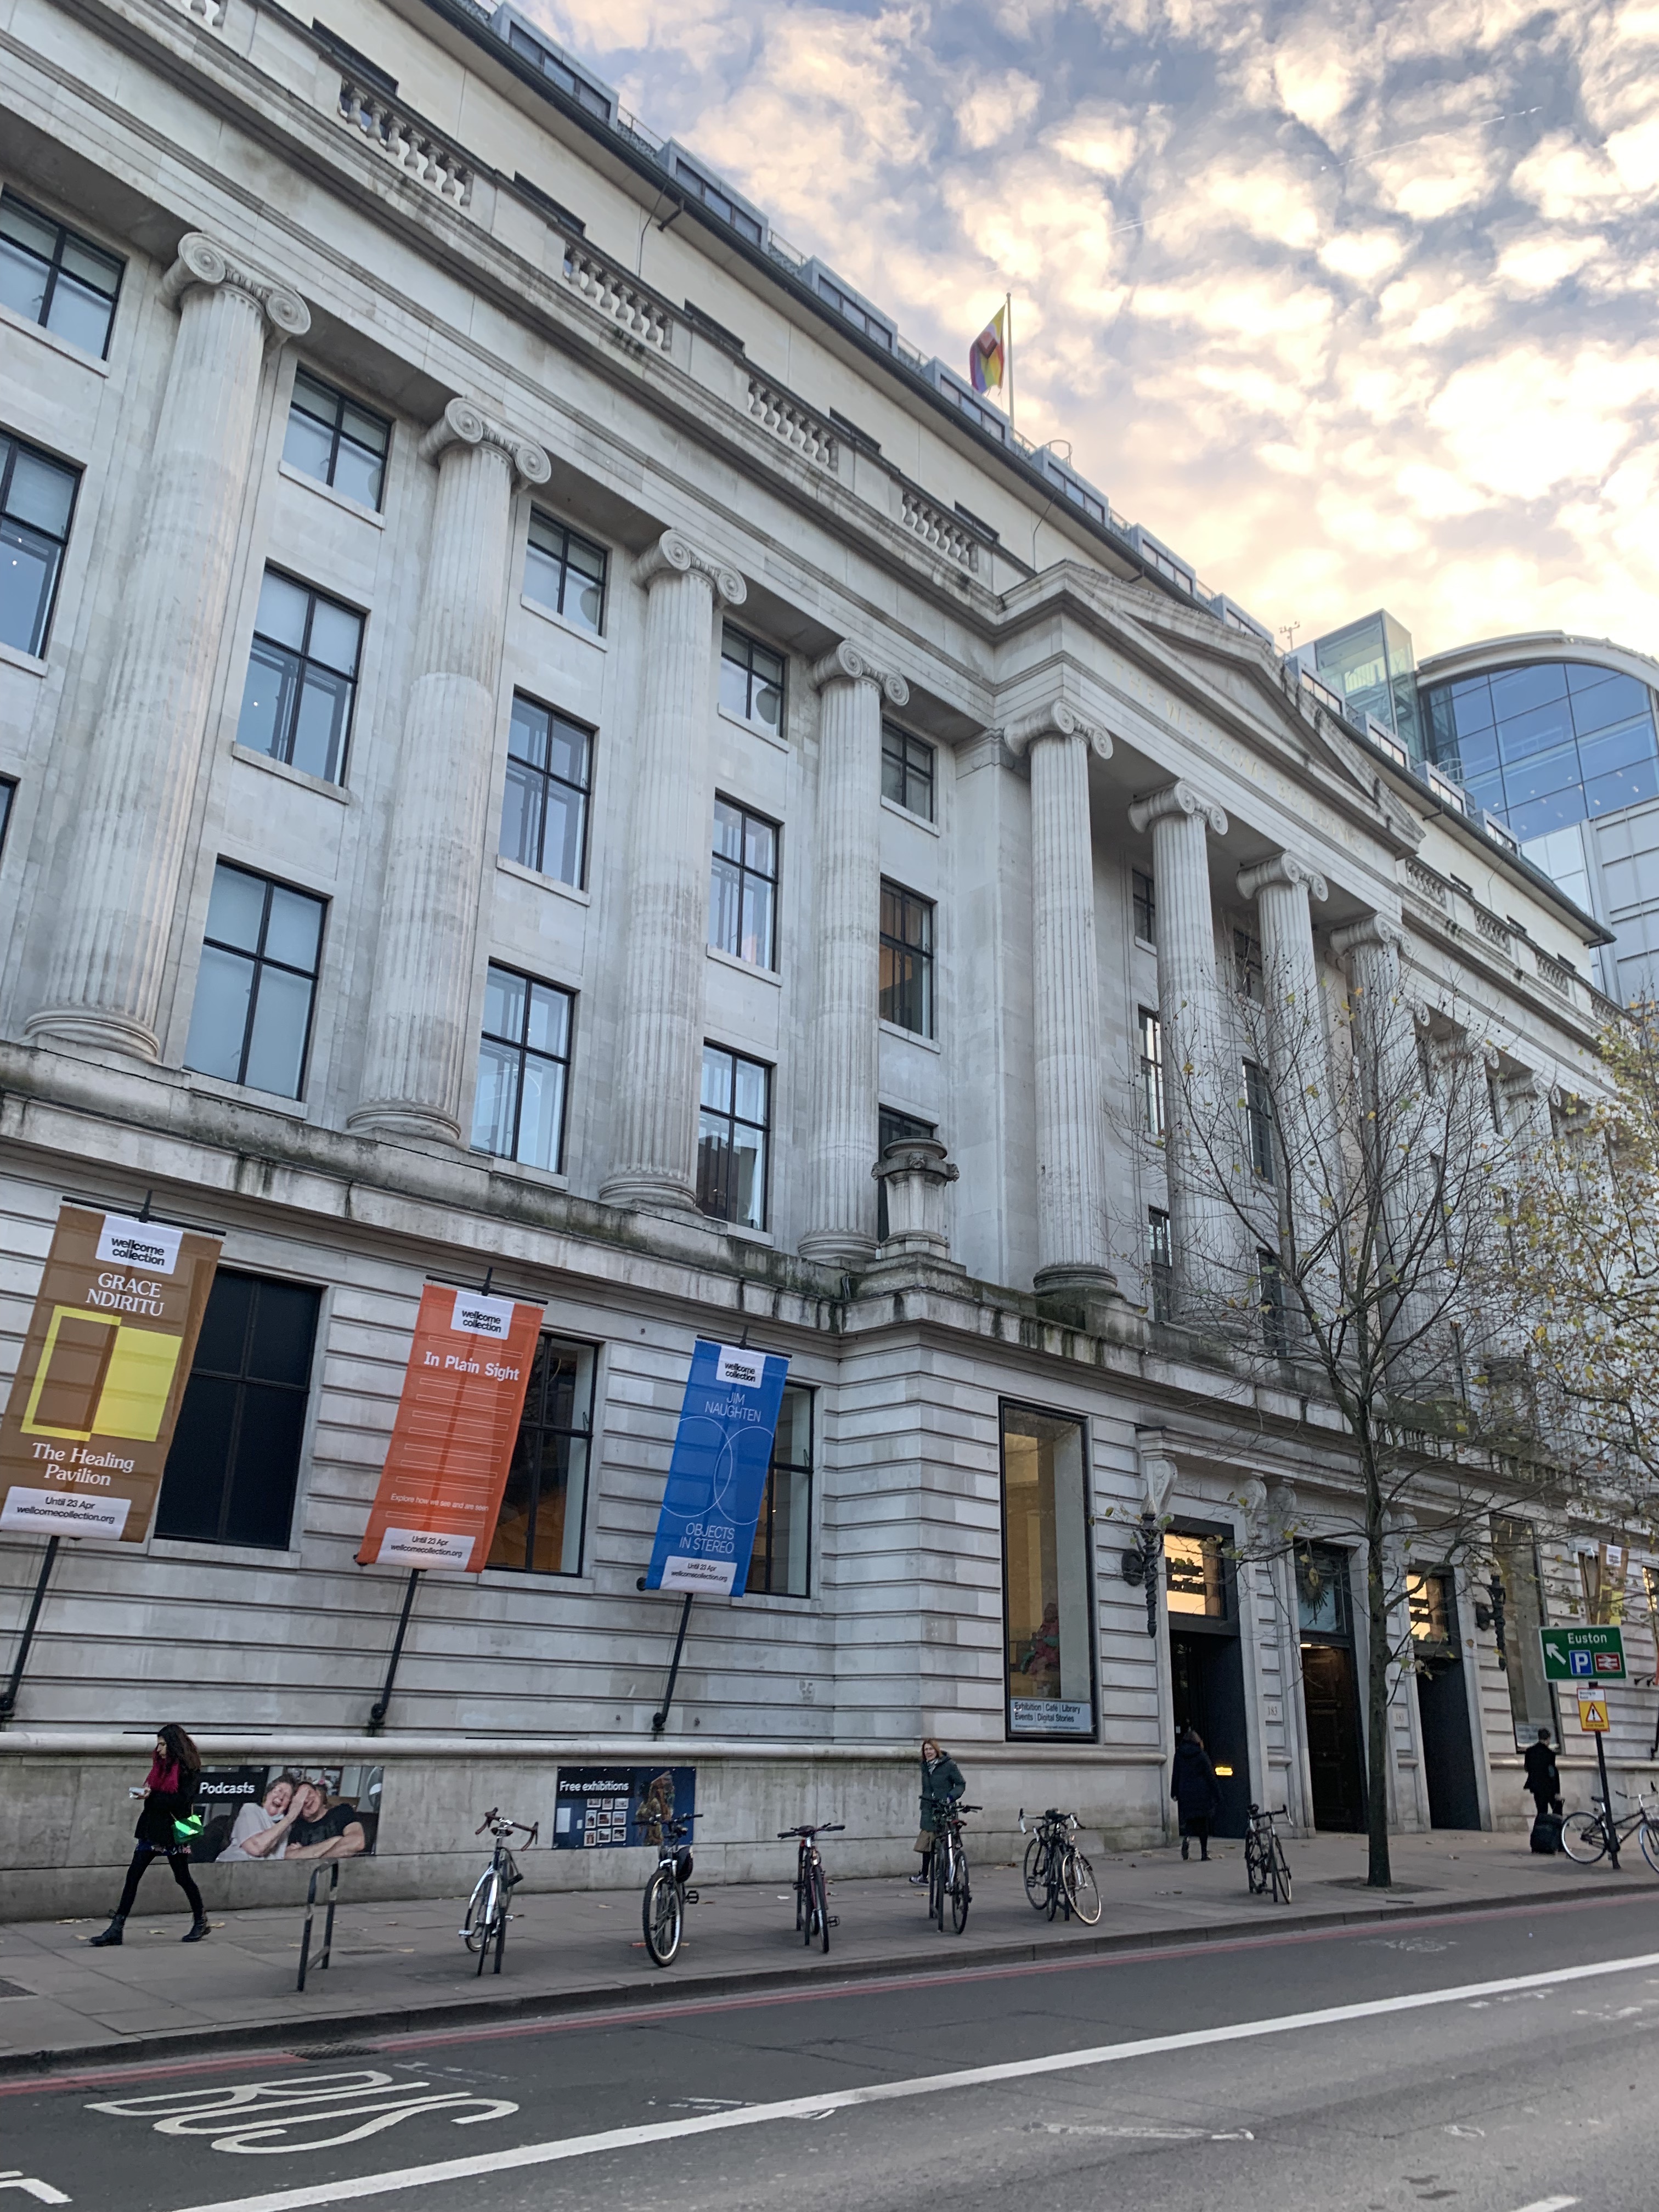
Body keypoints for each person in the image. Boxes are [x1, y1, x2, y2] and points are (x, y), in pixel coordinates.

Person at [89, 1724, 210, 1945]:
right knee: (133, 1876)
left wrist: (151, 1797)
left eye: (163, 1745)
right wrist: (149, 1795)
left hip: (175, 1832)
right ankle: (117, 1927)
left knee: (182, 1877)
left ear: (174, 1745)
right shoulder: (161, 1766)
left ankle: (201, 1920)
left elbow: (181, 1801)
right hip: (152, 1831)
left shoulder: (189, 1770)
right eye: (158, 1745)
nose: (159, 1750)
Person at [910, 1737, 965, 1888]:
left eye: (931, 1749)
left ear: (937, 1750)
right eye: (926, 1750)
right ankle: (924, 1875)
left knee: (945, 1844)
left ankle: (947, 1876)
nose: (928, 1752)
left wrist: (950, 1797)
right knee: (926, 1843)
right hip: (929, 1808)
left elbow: (961, 1784)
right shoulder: (925, 1767)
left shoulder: (949, 1765)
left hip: (945, 1808)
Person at [281, 1780, 370, 1861]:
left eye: (308, 1793)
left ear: (318, 1793)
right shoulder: (296, 1826)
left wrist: (317, 1861)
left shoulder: (342, 1811)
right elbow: (288, 1856)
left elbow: (357, 1841)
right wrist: (335, 1841)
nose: (306, 1800)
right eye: (300, 1799)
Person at [216, 1776, 296, 1862]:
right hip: (232, 1868)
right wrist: (290, 1816)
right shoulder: (250, 1809)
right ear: (268, 1794)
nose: (281, 1797)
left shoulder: (287, 1827)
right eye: (279, 1790)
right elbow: (257, 1848)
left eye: (287, 1796)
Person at [1171, 1724, 1221, 1861]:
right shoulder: (1201, 1755)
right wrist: (1217, 1794)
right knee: (1202, 1824)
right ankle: (1204, 1853)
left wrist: (1174, 1791)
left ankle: (1187, 1837)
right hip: (1201, 1792)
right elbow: (1210, 1776)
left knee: (1190, 1821)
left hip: (1185, 1792)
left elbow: (1176, 1774)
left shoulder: (1179, 1755)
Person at [1523, 1727, 1562, 1820]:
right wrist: (1557, 1791)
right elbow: (1553, 1773)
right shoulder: (1550, 1754)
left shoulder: (1530, 1751)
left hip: (1536, 1787)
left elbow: (1527, 1768)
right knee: (1557, 1810)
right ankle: (1556, 1830)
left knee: (1541, 1812)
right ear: (1548, 1739)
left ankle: (1540, 1831)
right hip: (1549, 1787)